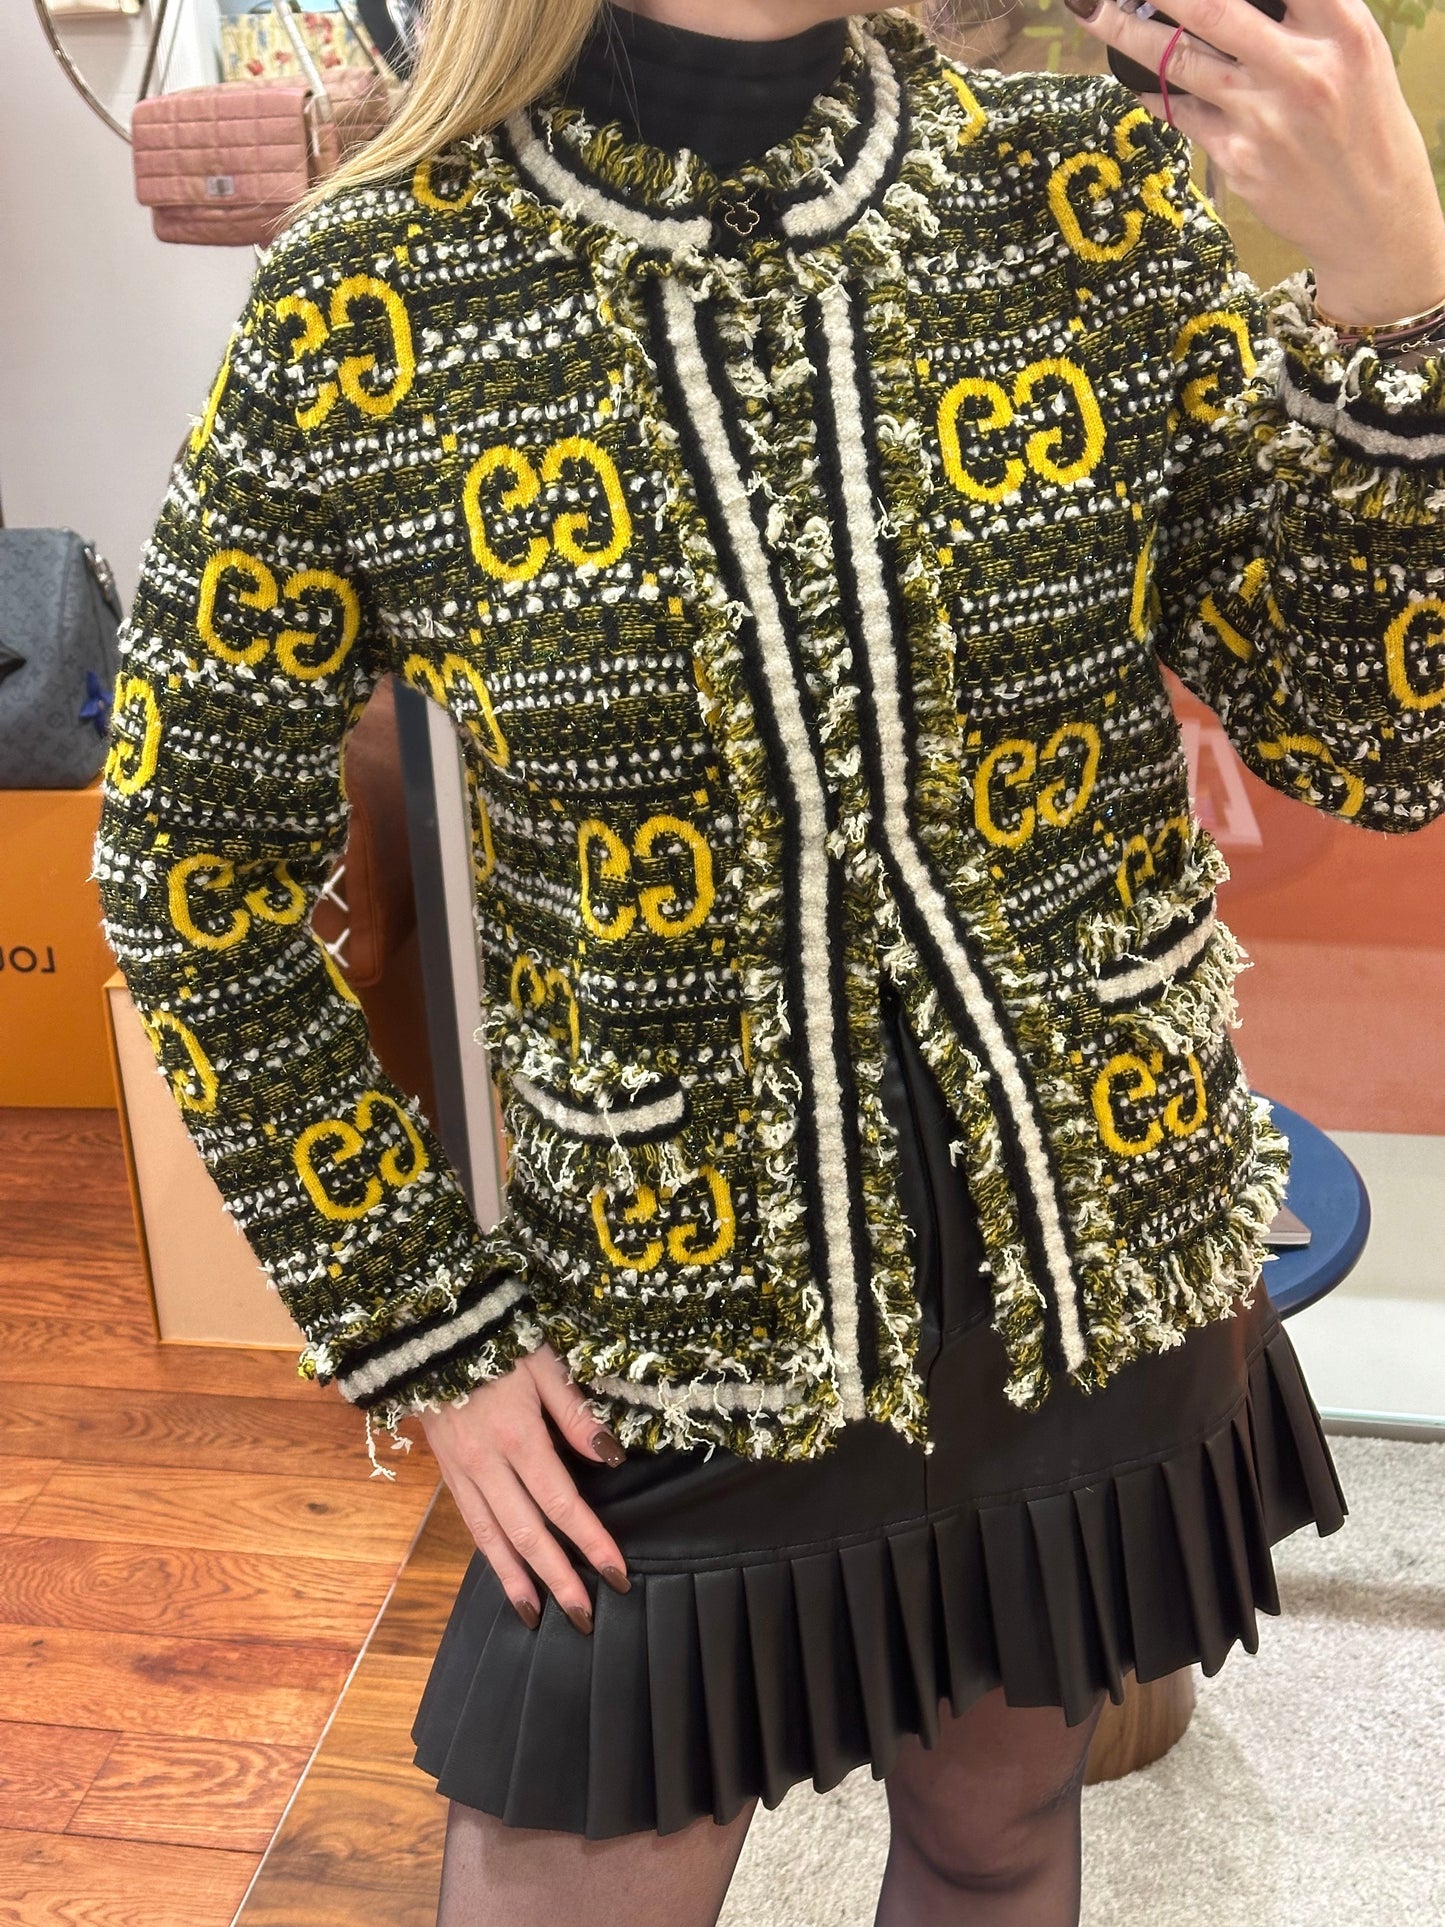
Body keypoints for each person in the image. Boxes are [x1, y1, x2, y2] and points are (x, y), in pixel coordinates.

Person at [92, 0, 1445, 1920]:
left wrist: (1396, 292)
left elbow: (1374, 737)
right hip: (669, 1330)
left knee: (997, 1840)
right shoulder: (373, 296)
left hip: (1100, 1277)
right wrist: (420, 1323)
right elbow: (183, 863)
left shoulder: (1077, 193)